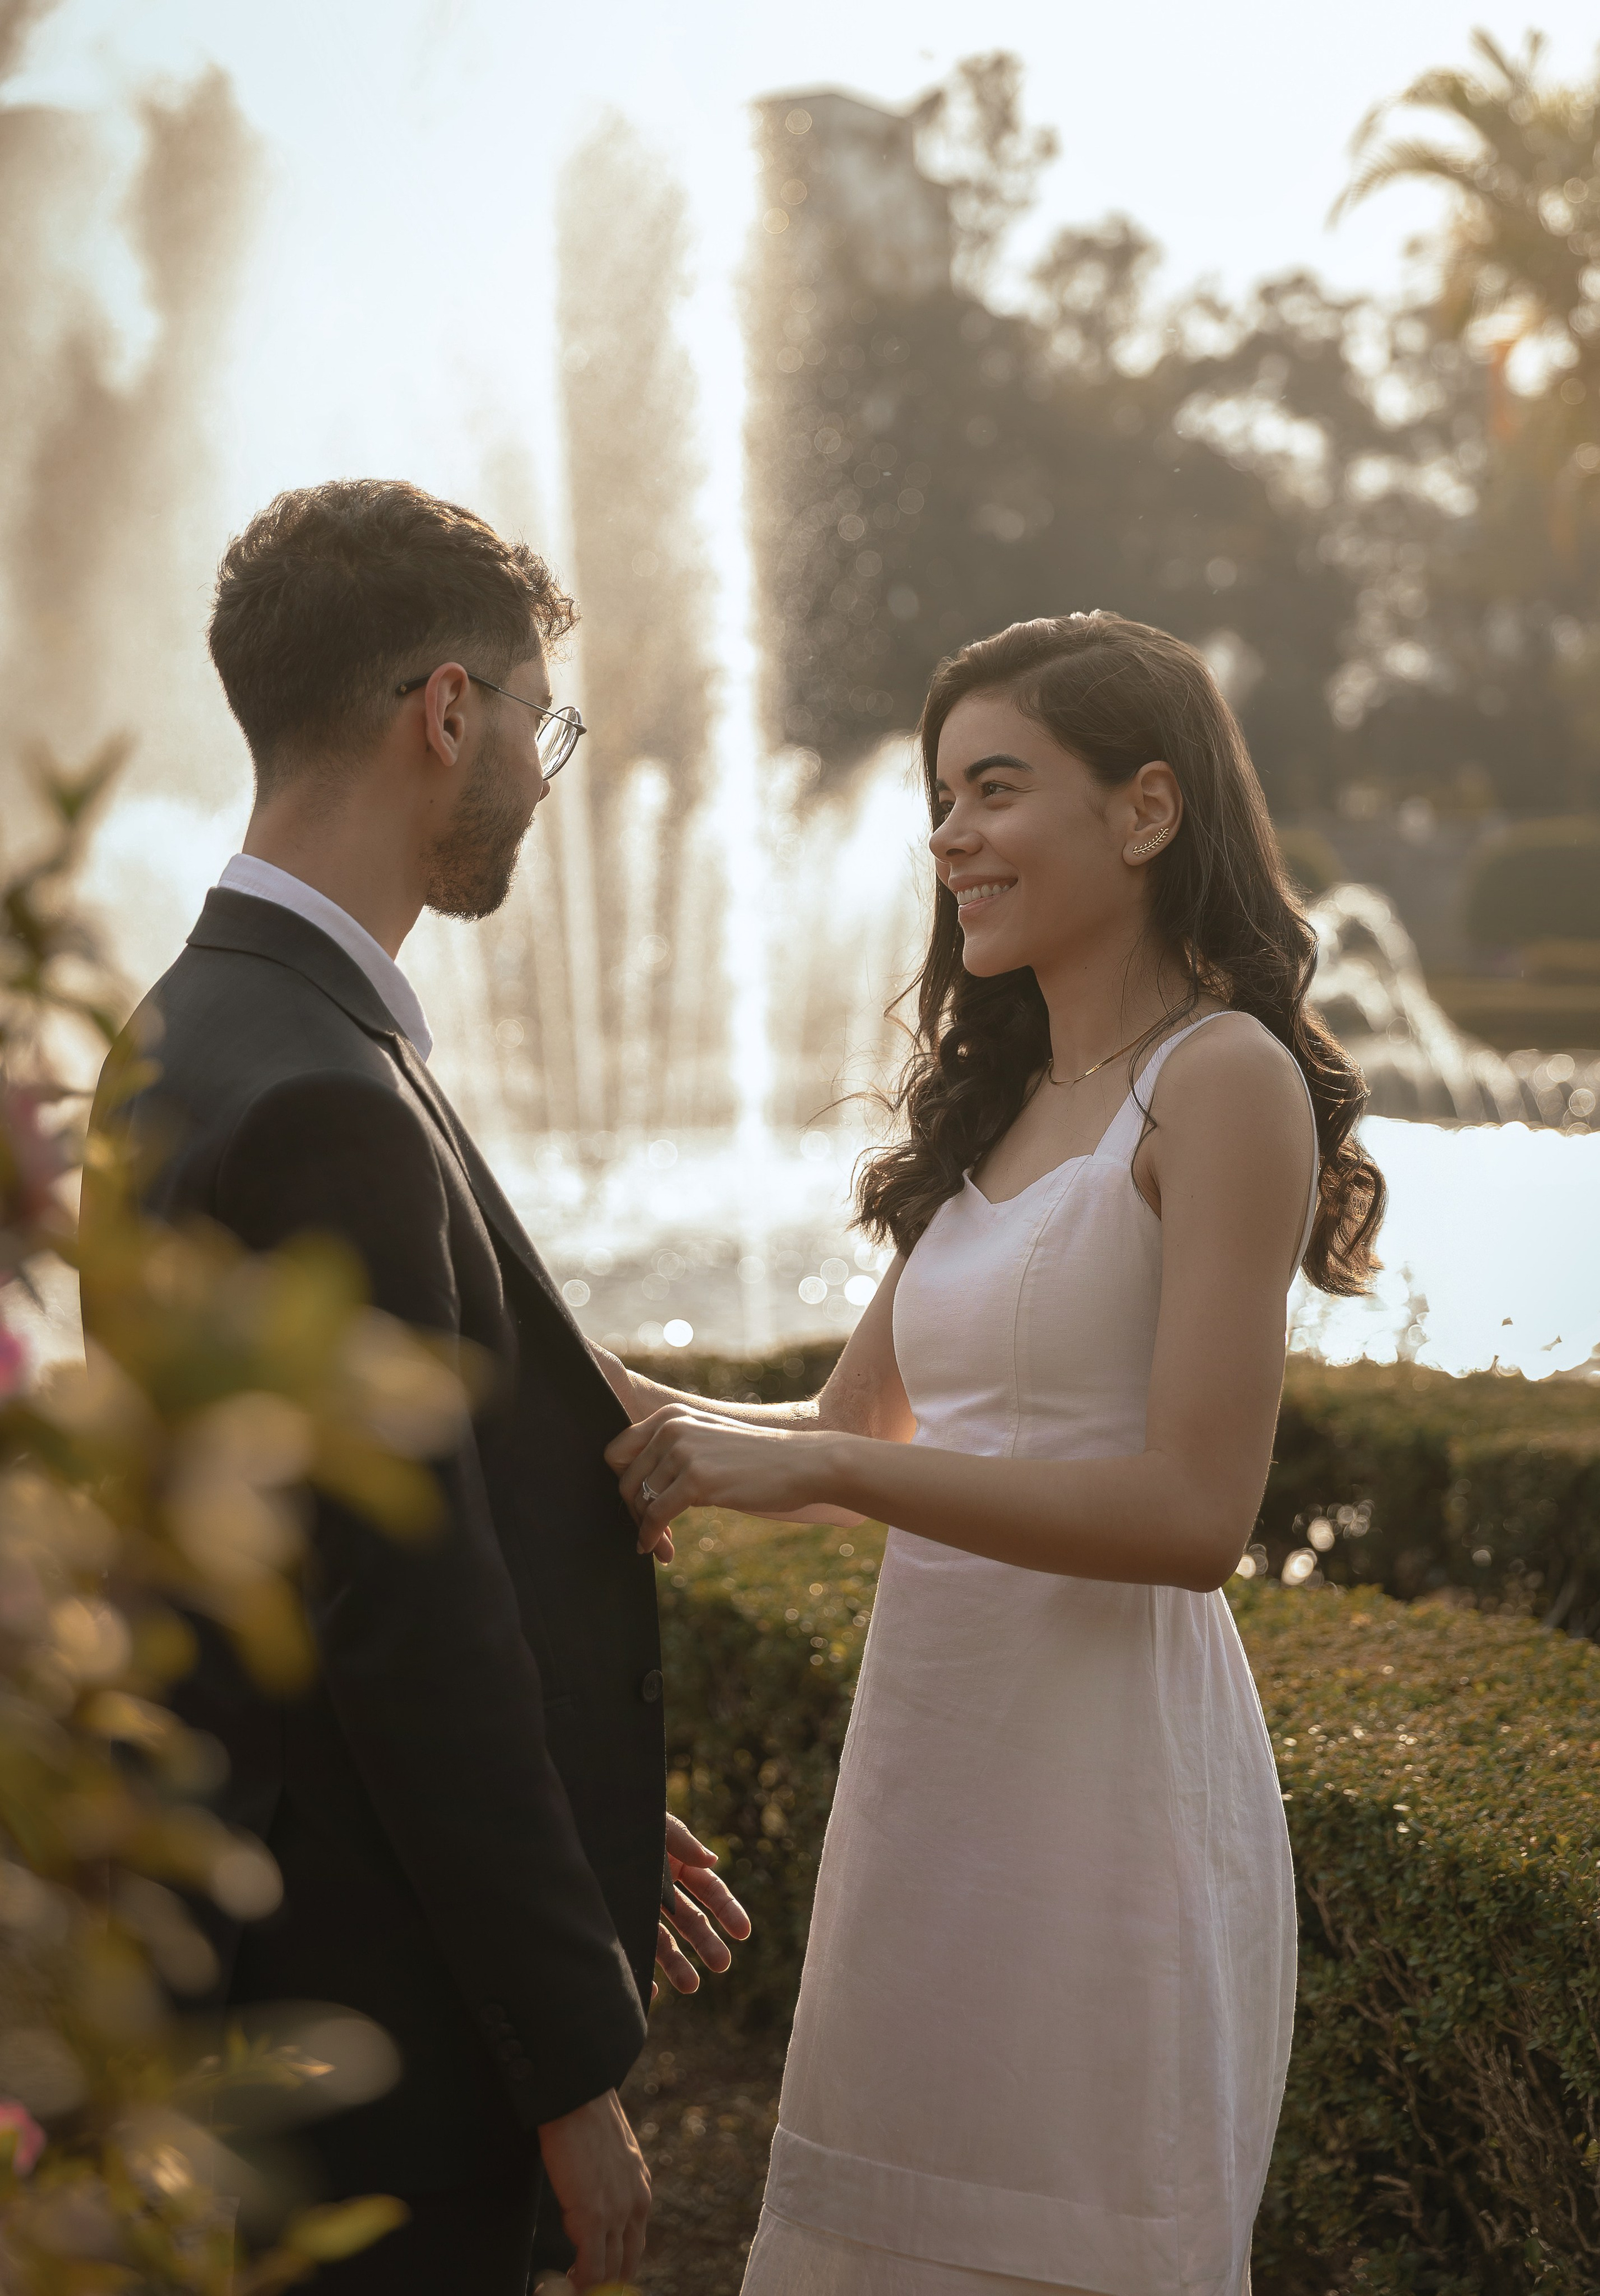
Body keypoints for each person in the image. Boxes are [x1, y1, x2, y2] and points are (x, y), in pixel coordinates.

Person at [601, 612, 1385, 2296]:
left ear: (1148, 810)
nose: (948, 834)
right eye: (940, 794)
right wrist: (490, 1290)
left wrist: (831, 1480)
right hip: (934, 1779)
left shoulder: (1226, 1081)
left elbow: (1193, 1516)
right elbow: (826, 1426)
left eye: (996, 787)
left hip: (1108, 1803)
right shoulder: (1013, 1101)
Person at [82, 479, 748, 2295]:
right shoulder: (322, 1093)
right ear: (448, 710)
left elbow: (290, 1564)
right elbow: (408, 1619)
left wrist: (589, 1801)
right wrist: (568, 2062)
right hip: (385, 2033)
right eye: (544, 717)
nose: (546, 764)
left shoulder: (189, 1030)